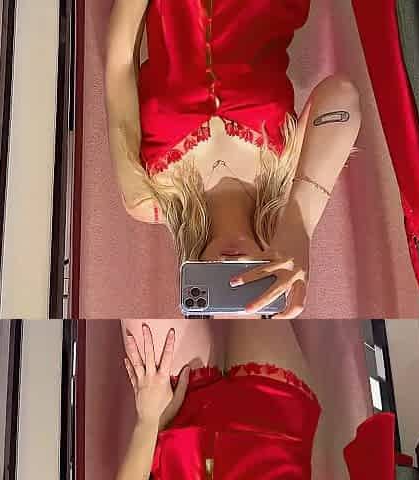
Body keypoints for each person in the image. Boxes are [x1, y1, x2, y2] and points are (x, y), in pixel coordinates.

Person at [105, 0, 362, 317]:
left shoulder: (147, 198)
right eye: (249, 282)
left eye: (222, 287)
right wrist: (300, 225)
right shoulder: (289, 181)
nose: (232, 267)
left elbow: (120, 68)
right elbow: (343, 94)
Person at [116, 320, 396, 480]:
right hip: (272, 425)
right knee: (248, 262)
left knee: (147, 264)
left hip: (175, 428)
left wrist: (149, 422)